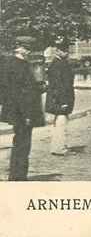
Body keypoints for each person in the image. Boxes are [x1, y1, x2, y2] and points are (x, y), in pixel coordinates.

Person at [0, 36, 46, 181]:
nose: (28, 51)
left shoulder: (11, 64)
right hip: (23, 112)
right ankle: (18, 176)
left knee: (20, 142)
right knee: (23, 144)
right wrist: (27, 114)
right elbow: (21, 93)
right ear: (19, 48)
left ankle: (16, 175)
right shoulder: (19, 66)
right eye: (26, 48)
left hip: (17, 111)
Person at [44, 45, 75, 156]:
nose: (66, 53)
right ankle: (60, 148)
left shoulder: (59, 63)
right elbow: (58, 85)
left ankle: (57, 146)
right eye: (63, 50)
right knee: (61, 123)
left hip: (61, 97)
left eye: (67, 51)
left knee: (59, 123)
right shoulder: (58, 64)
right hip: (61, 99)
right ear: (57, 51)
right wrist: (63, 101)